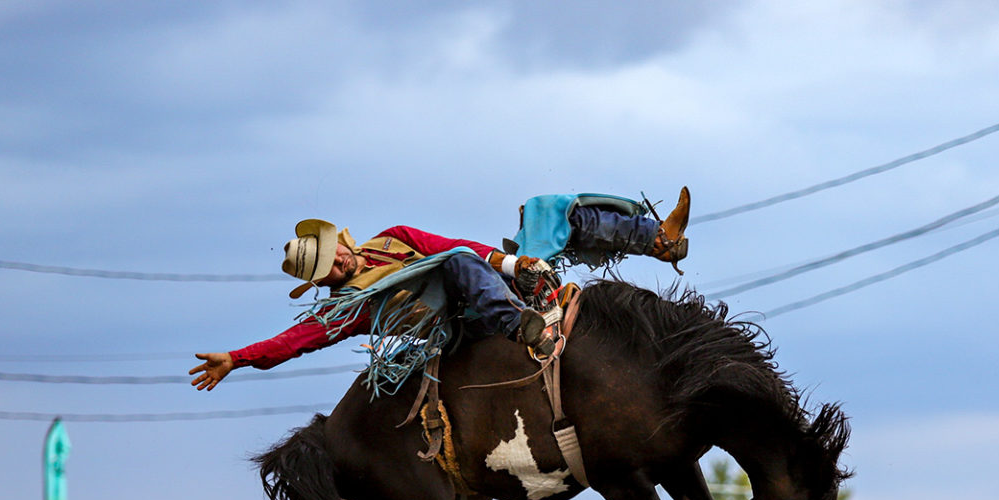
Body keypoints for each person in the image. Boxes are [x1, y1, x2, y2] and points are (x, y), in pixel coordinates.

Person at [188, 189, 691, 385]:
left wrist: (516, 264)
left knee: (543, 209)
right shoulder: (351, 306)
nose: (338, 262)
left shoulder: (393, 238)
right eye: (327, 268)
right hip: (461, 323)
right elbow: (296, 341)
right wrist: (238, 357)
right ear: (325, 280)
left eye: (330, 252)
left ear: (336, 240)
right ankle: (522, 327)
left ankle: (658, 239)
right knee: (452, 263)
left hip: (496, 278)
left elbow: (453, 243)